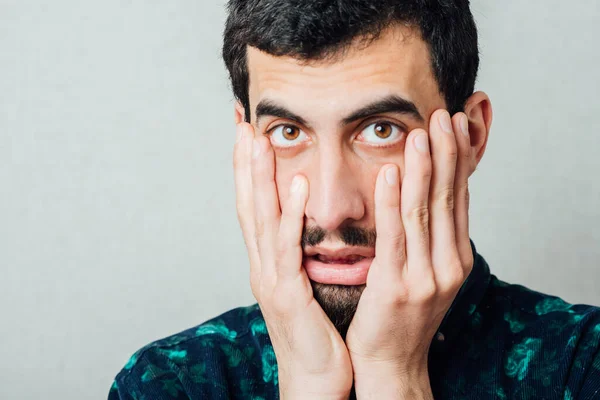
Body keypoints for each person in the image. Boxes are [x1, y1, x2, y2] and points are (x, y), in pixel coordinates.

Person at [108, 1, 600, 399]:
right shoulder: (169, 385)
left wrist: (394, 378)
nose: (331, 208)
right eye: (288, 132)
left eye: (379, 130)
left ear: (469, 137)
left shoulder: (580, 368)